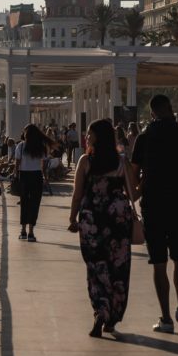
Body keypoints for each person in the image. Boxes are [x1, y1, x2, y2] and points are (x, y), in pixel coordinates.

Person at [130, 94, 178, 334]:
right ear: (169, 107)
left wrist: (139, 187)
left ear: (152, 112)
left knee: (158, 263)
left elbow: (135, 174)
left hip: (154, 204)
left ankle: (166, 318)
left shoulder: (144, 139)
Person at [69, 119, 133, 337]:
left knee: (96, 268)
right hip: (118, 221)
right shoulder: (122, 162)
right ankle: (112, 319)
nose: (86, 137)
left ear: (98, 137)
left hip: (92, 221)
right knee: (118, 268)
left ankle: (100, 311)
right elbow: (132, 191)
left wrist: (72, 218)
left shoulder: (86, 161)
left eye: (89, 134)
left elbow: (77, 194)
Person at [14, 125, 49, 242]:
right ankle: (31, 232)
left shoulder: (21, 146)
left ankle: (23, 231)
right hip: (37, 176)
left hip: (24, 176)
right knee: (35, 203)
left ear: (26, 134)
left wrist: (15, 175)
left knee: (24, 202)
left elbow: (17, 163)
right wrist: (45, 177)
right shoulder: (41, 147)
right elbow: (43, 165)